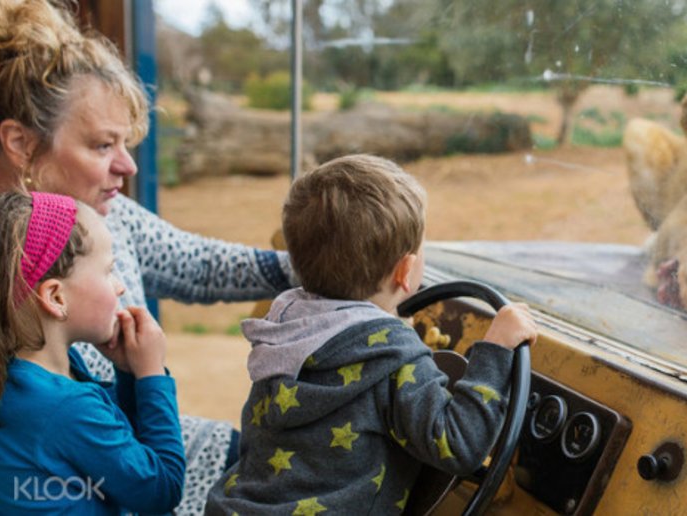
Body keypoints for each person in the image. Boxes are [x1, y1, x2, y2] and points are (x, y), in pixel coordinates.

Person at [0, 2, 295, 512]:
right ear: (21, 144)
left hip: (135, 450)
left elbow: (200, 264)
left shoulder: (109, 216)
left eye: (126, 143)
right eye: (101, 145)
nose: (128, 164)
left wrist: (323, 262)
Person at [204, 154, 537, 514]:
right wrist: (496, 350)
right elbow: (458, 445)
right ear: (406, 271)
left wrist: (387, 324)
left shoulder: (284, 332)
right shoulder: (393, 357)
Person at [0, 191, 185, 514]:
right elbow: (162, 489)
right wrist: (151, 375)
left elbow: (121, 454)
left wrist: (127, 374)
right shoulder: (66, 407)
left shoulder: (29, 377)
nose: (119, 286)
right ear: (56, 298)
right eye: (108, 270)